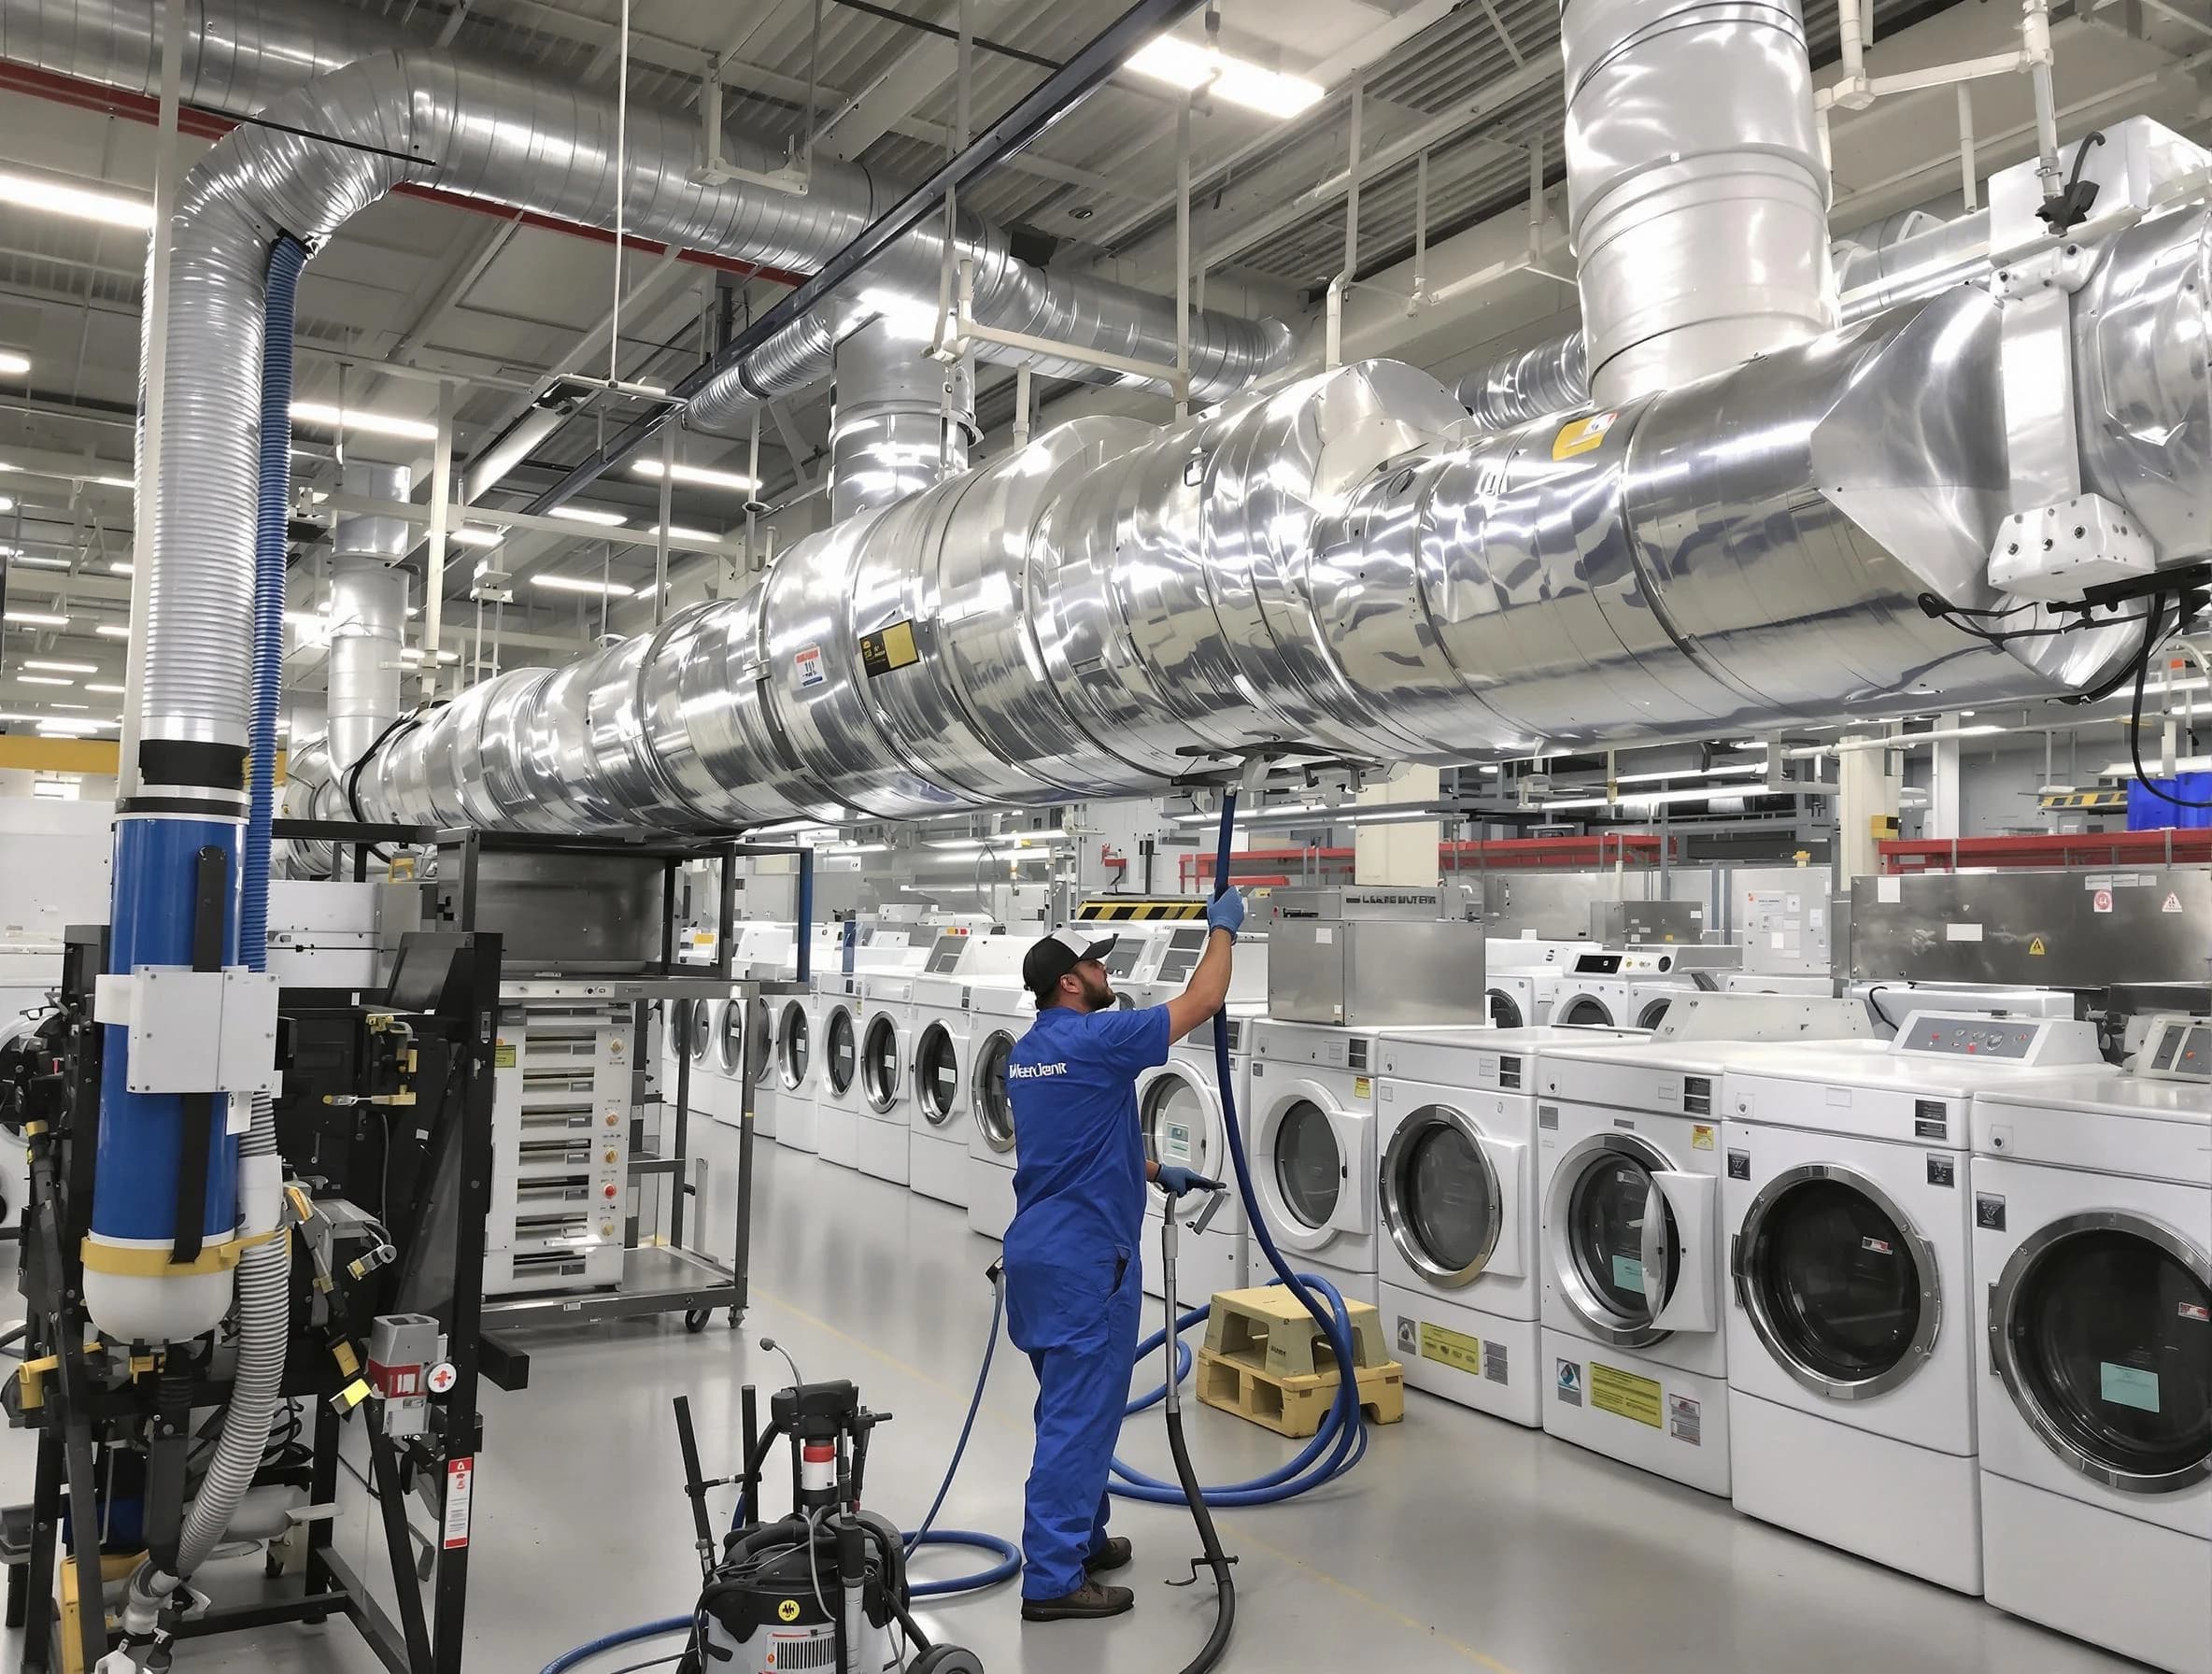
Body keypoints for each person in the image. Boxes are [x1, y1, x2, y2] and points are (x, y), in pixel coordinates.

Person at [1000, 889, 1246, 1624]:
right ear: (1071, 983)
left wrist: (1146, 1169)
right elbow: (1203, 998)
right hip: (1088, 1263)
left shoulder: (1028, 1055)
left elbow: (1070, 1147)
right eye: (1094, 967)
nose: (1105, 975)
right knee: (1079, 1419)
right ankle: (1050, 1579)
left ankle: (1084, 1538)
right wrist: (1224, 930)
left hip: (1037, 1256)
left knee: (1072, 1409)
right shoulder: (1097, 1042)